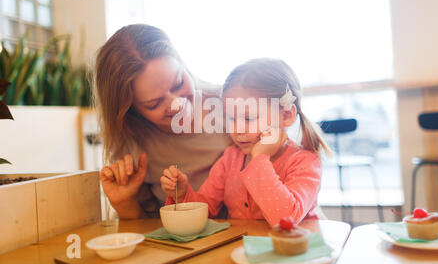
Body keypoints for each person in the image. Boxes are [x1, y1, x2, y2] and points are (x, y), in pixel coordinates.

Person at [160, 58, 330, 227]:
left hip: (299, 250)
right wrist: (183, 195)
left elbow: (285, 219)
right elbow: (208, 209)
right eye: (232, 118)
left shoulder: (305, 162)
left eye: (248, 118)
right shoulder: (230, 159)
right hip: (247, 250)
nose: (238, 129)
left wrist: (259, 159)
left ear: (286, 115)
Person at [95, 24, 231, 219]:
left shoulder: (234, 105)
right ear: (131, 112)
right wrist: (123, 203)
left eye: (178, 83)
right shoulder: (135, 146)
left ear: (182, 63)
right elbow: (147, 230)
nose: (177, 105)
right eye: (154, 103)